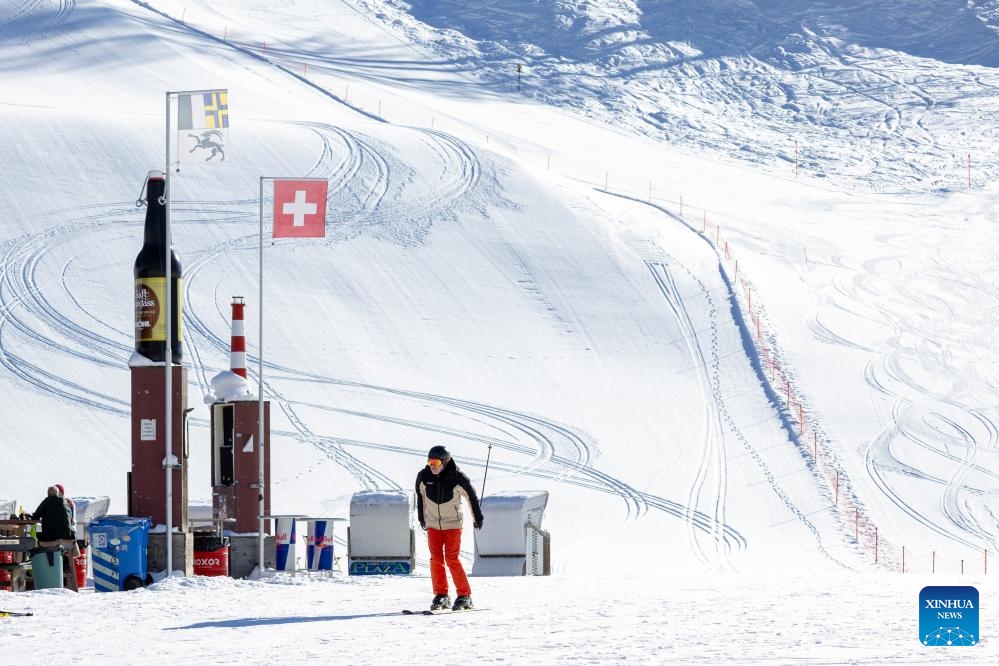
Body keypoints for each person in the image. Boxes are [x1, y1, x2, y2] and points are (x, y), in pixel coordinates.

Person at [415, 445, 484, 611]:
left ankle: (464, 595)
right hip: (433, 525)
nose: (432, 465)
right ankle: (441, 595)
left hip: (452, 524)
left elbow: (472, 497)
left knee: (451, 559)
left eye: (436, 462)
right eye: (430, 461)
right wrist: (421, 517)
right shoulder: (423, 476)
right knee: (436, 560)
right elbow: (420, 496)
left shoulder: (457, 478)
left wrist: (477, 517)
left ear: (445, 462)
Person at [31, 485, 79, 591]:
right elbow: (71, 520)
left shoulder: (47, 501)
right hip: (68, 539)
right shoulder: (66, 503)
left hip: (51, 539)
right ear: (59, 494)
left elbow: (35, 517)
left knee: (36, 541)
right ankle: (69, 576)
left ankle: (47, 574)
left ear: (48, 494)